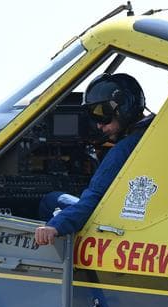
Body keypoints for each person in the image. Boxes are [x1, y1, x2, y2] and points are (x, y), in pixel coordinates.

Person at [34, 72, 151, 247]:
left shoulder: (123, 149)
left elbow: (94, 198)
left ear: (124, 108)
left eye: (102, 113)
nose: (98, 124)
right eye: (93, 115)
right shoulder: (153, 133)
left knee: (51, 199)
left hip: (115, 217)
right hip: (141, 212)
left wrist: (54, 226)